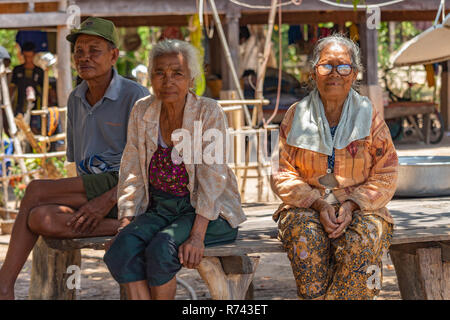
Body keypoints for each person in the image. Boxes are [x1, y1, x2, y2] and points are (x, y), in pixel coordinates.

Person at [0, 17, 149, 300]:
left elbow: (148, 167)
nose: (84, 57)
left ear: (114, 55)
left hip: (128, 188)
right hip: (97, 191)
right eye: (79, 51)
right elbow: (79, 164)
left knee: (35, 190)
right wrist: (86, 203)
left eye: (94, 50)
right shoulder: (76, 98)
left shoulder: (136, 97)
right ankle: (127, 227)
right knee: (40, 218)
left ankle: (3, 285)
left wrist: (103, 201)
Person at [103, 39, 246, 300]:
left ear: (191, 79)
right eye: (160, 73)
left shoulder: (208, 112)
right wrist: (126, 220)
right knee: (122, 249)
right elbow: (132, 169)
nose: (168, 80)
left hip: (210, 212)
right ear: (151, 78)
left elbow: (212, 178)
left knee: (161, 249)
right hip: (161, 208)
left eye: (177, 73)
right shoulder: (142, 110)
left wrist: (196, 237)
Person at [270, 34, 398, 300]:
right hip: (306, 206)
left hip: (360, 206)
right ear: (314, 73)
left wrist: (351, 204)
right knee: (306, 237)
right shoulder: (296, 115)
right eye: (326, 66)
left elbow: (386, 173)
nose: (335, 74)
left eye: (343, 67)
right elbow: (282, 173)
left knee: (362, 240)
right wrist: (318, 203)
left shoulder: (368, 114)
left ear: (354, 75)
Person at [10, 42, 44, 116]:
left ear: (34, 55)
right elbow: (12, 87)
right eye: (26, 56)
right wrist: (9, 103)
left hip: (36, 106)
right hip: (19, 104)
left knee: (35, 126)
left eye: (30, 57)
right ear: (22, 55)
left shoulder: (39, 71)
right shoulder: (17, 70)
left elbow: (44, 89)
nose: (28, 59)